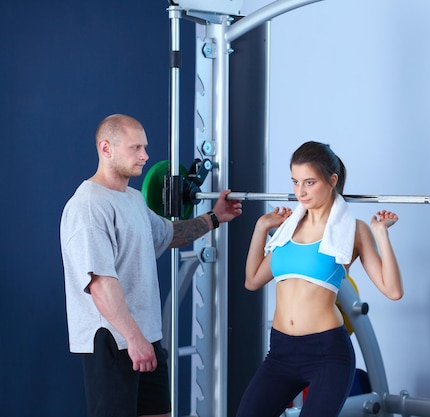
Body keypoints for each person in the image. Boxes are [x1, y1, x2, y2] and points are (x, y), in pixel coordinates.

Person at [60, 114, 242, 417]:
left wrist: (214, 217)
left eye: (144, 147)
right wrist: (133, 339)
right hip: (112, 342)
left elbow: (168, 234)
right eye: (136, 148)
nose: (145, 156)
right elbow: (100, 284)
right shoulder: (88, 207)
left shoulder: (132, 199)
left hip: (145, 337)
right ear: (106, 149)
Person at [237, 141, 403, 417]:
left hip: (327, 353)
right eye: (295, 182)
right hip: (280, 352)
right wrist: (260, 227)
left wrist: (381, 234)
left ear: (331, 180)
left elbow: (393, 290)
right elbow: (252, 280)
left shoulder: (352, 231)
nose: (300, 192)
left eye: (309, 182)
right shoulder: (286, 229)